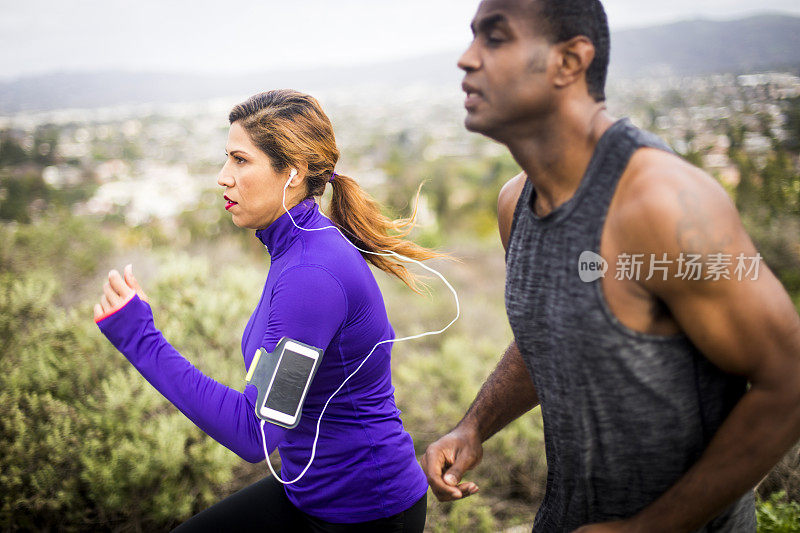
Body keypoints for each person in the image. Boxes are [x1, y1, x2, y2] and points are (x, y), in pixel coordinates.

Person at [420, 0, 800, 531]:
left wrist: (650, 527)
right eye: (472, 37)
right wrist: (474, 427)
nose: (466, 58)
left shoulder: (661, 201)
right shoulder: (516, 204)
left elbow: (788, 379)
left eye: (495, 37)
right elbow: (553, 334)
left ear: (570, 61)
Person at [93, 89, 435, 532]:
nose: (222, 177)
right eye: (226, 159)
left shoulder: (311, 273)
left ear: (291, 174)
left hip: (368, 512)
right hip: (308, 494)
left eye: (240, 160)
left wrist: (139, 337)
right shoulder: (296, 246)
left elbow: (253, 433)